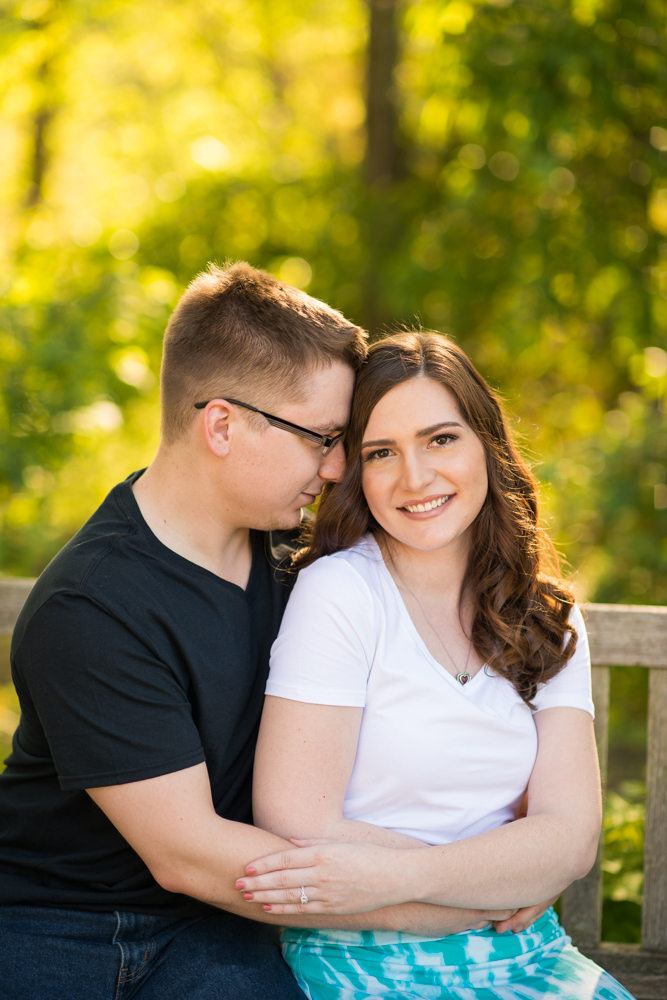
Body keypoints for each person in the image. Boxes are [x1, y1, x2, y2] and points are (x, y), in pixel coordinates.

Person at [242, 331, 634, 999]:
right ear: (358, 472)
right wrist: (499, 878)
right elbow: (295, 823)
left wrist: (403, 875)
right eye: (381, 452)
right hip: (359, 947)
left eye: (440, 439)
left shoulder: (548, 616)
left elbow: (568, 838)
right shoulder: (340, 592)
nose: (415, 477)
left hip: (523, 953)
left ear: (487, 444)